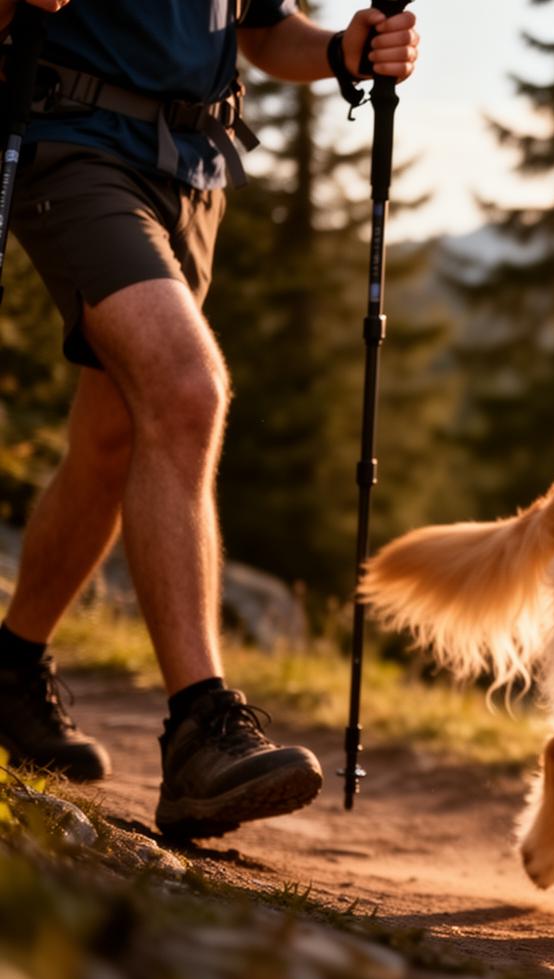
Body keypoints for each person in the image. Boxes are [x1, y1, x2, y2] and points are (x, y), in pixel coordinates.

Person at [0, 0, 421, 838]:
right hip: (76, 143)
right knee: (188, 392)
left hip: (192, 175)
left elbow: (262, 31)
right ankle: (200, 725)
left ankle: (9, 672)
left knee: (115, 439)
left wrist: (344, 49)